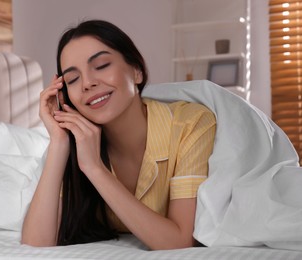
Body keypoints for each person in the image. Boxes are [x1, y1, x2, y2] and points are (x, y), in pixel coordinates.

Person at [21, 19, 216, 250]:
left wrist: (95, 169)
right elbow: (34, 245)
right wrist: (58, 141)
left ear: (137, 71)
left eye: (101, 65)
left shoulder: (191, 124)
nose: (87, 83)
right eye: (73, 79)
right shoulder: (77, 141)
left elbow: (180, 242)